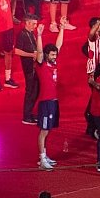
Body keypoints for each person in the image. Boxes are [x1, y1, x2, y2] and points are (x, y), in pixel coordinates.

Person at [34, 21, 65, 170]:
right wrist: (39, 35)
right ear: (47, 55)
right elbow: (39, 53)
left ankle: (45, 156)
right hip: (45, 102)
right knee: (44, 130)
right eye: (52, 55)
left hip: (53, 101)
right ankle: (41, 158)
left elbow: (58, 45)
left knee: (48, 130)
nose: (55, 56)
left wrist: (62, 29)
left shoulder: (53, 64)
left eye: (55, 55)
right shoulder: (41, 65)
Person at [15, 16, 40, 125]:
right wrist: (31, 55)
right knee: (30, 91)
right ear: (28, 23)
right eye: (34, 24)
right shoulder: (22, 34)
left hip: (34, 66)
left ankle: (29, 114)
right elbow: (17, 51)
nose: (35, 26)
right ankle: (26, 116)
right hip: (29, 67)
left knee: (35, 90)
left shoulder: (30, 34)